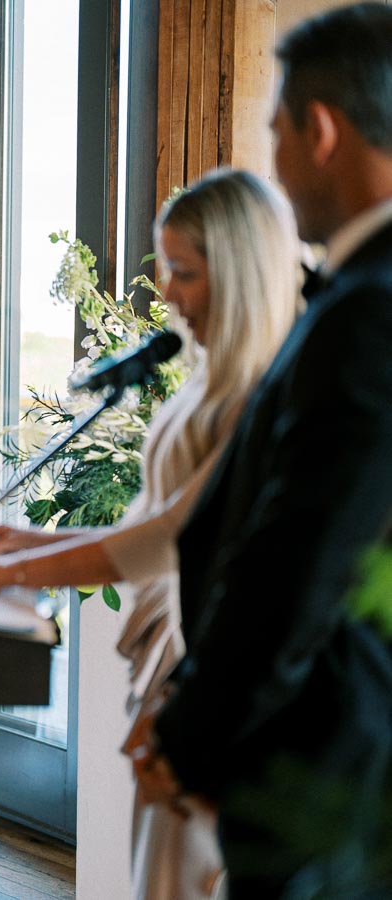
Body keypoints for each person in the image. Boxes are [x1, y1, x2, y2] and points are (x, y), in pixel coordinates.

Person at [0, 169, 303, 898]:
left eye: (185, 274)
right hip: (165, 649)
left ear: (242, 273)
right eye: (166, 271)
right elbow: (147, 521)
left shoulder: (261, 394)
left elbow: (167, 537)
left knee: (175, 878)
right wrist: (20, 543)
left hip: (207, 661)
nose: (168, 294)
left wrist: (9, 576)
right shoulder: (206, 378)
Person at [137, 5, 392, 896]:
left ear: (319, 130)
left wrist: (192, 730)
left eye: (276, 128)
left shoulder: (368, 312)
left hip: (320, 773)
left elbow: (302, 554)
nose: (272, 159)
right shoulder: (355, 293)